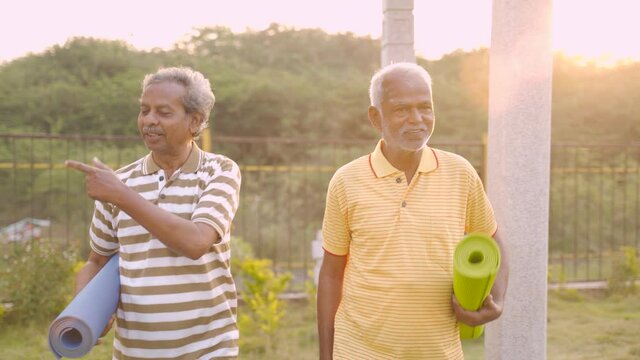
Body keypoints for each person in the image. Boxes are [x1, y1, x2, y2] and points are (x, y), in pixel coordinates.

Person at [317, 62, 509, 359]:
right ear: (375, 117)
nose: (416, 119)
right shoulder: (346, 181)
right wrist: (325, 355)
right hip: (359, 351)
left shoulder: (460, 173)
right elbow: (331, 275)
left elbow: (494, 242)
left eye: (425, 107)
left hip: (440, 352)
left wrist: (495, 300)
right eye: (401, 110)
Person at [67, 67, 242, 359]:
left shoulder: (220, 171)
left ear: (194, 121)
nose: (149, 120)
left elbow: (196, 242)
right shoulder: (119, 182)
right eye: (144, 110)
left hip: (208, 351)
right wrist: (82, 310)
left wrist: (121, 195)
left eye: (163, 112)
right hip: (134, 353)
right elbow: (97, 261)